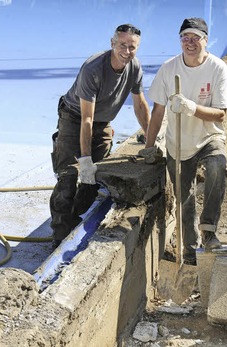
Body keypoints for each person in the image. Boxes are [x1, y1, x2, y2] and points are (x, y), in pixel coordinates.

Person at [141, 17, 227, 265]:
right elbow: (158, 111)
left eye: (196, 38)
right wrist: (149, 147)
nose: (190, 43)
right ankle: (191, 252)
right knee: (185, 197)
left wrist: (192, 108)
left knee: (217, 167)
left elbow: (222, 114)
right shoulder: (169, 69)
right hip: (178, 142)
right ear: (180, 40)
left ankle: (209, 231)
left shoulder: (217, 67)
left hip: (208, 136)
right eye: (185, 38)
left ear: (206, 40)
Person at [50, 24, 150, 247]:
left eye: (132, 47)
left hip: (102, 121)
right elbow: (86, 119)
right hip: (75, 117)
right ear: (112, 43)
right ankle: (59, 236)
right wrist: (84, 160)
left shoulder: (134, 67)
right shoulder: (93, 68)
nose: (126, 51)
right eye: (122, 45)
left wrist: (151, 140)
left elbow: (141, 105)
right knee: (69, 175)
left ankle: (75, 219)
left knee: (97, 174)